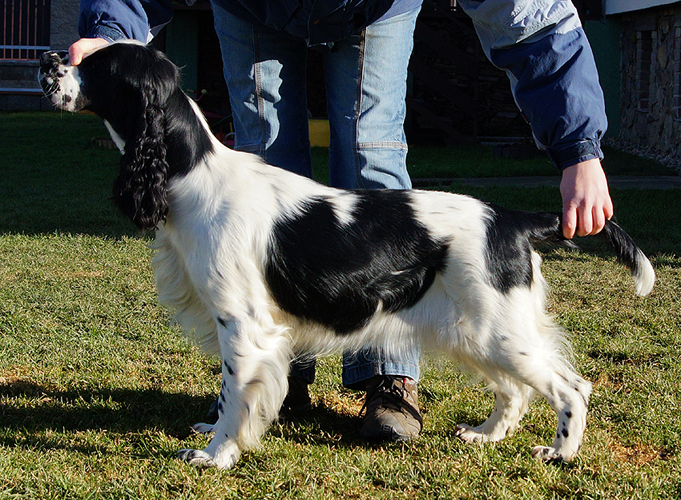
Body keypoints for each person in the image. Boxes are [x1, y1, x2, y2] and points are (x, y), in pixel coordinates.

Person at [69, 0, 614, 442]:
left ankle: (388, 376)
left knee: (373, 157)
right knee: (266, 155)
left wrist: (579, 145)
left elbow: (528, 13)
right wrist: (111, 28)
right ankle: (278, 384)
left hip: (373, 8)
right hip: (252, 9)